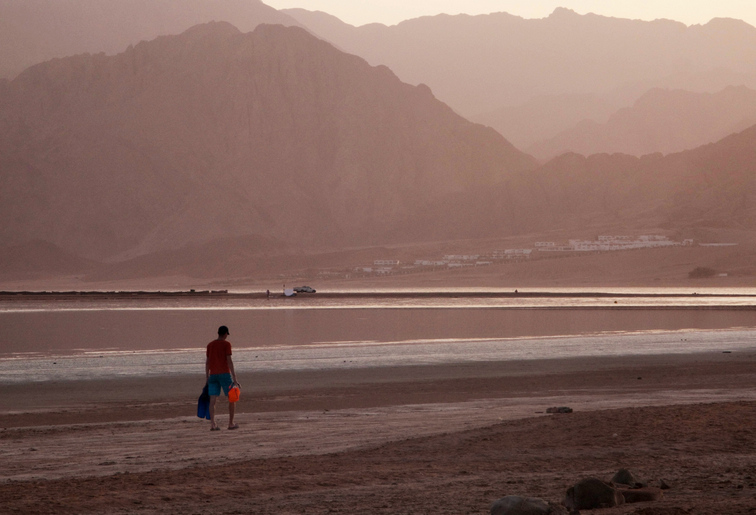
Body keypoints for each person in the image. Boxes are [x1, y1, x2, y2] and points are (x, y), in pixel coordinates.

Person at [205, 325, 240, 430]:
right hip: (225, 374)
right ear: (225, 334)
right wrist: (234, 378)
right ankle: (231, 423)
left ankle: (212, 424)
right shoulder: (226, 344)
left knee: (212, 399)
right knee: (232, 398)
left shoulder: (210, 345)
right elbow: (229, 361)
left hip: (213, 375)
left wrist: (207, 376)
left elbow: (207, 362)